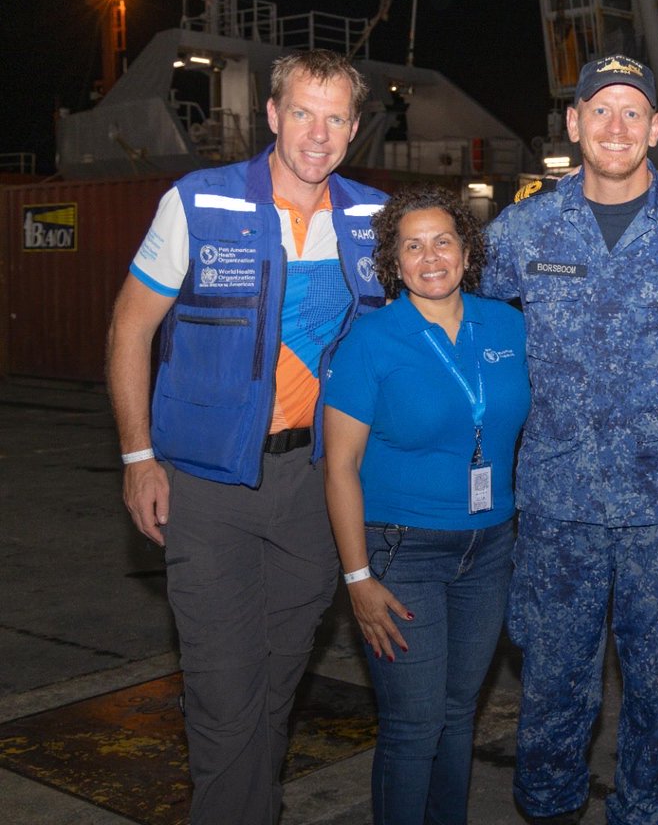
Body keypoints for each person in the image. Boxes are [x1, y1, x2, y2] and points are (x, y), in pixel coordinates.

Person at [106, 49, 388, 824]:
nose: (318, 134)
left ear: (355, 128)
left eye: (336, 118)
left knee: (272, 691)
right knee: (227, 697)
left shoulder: (373, 219)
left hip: (317, 490)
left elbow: (411, 341)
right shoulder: (198, 202)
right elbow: (131, 328)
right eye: (303, 112)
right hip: (209, 488)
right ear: (272, 115)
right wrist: (137, 458)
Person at [482, 53, 658, 825]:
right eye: (601, 109)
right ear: (573, 123)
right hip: (559, 505)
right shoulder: (521, 229)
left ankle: (645, 815)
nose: (616, 126)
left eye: (633, 111)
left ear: (657, 126)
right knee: (555, 687)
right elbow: (474, 334)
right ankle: (550, 809)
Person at [323, 187, 530, 825]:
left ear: (468, 252)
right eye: (412, 245)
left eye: (443, 240)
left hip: (491, 546)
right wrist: (358, 578)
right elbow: (339, 468)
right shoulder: (371, 340)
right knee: (414, 726)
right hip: (401, 550)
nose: (430, 256)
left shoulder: (507, 323)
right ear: (394, 261)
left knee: (458, 714)